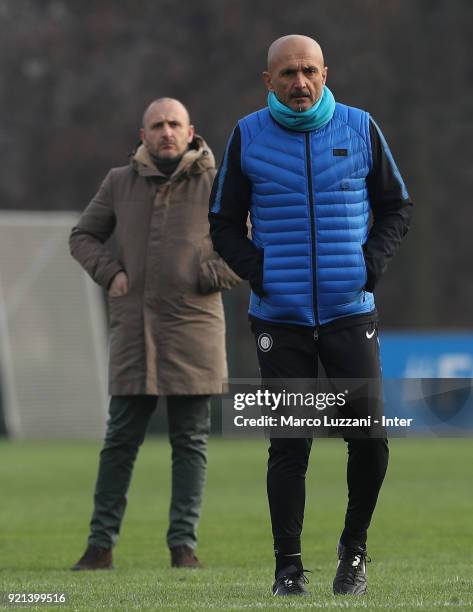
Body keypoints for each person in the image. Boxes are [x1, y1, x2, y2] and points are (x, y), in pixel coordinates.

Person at [209, 35, 412, 596]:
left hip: (350, 312)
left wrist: (371, 265)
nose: (299, 83)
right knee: (290, 443)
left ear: (326, 73)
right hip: (281, 319)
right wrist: (259, 271)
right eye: (287, 74)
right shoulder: (247, 135)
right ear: (267, 81)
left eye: (308, 71)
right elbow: (222, 221)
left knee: (369, 439)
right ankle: (288, 569)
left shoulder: (360, 126)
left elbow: (397, 205)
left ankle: (354, 549)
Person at [69, 97, 239, 570]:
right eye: (157, 125)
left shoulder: (218, 181)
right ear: (143, 135)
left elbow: (251, 240)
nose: (166, 132)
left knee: (191, 441)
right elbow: (82, 236)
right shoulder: (119, 182)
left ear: (191, 131)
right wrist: (110, 273)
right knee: (120, 439)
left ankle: (183, 547)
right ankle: (99, 546)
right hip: (134, 329)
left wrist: (212, 273)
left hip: (194, 327)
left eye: (174, 124)